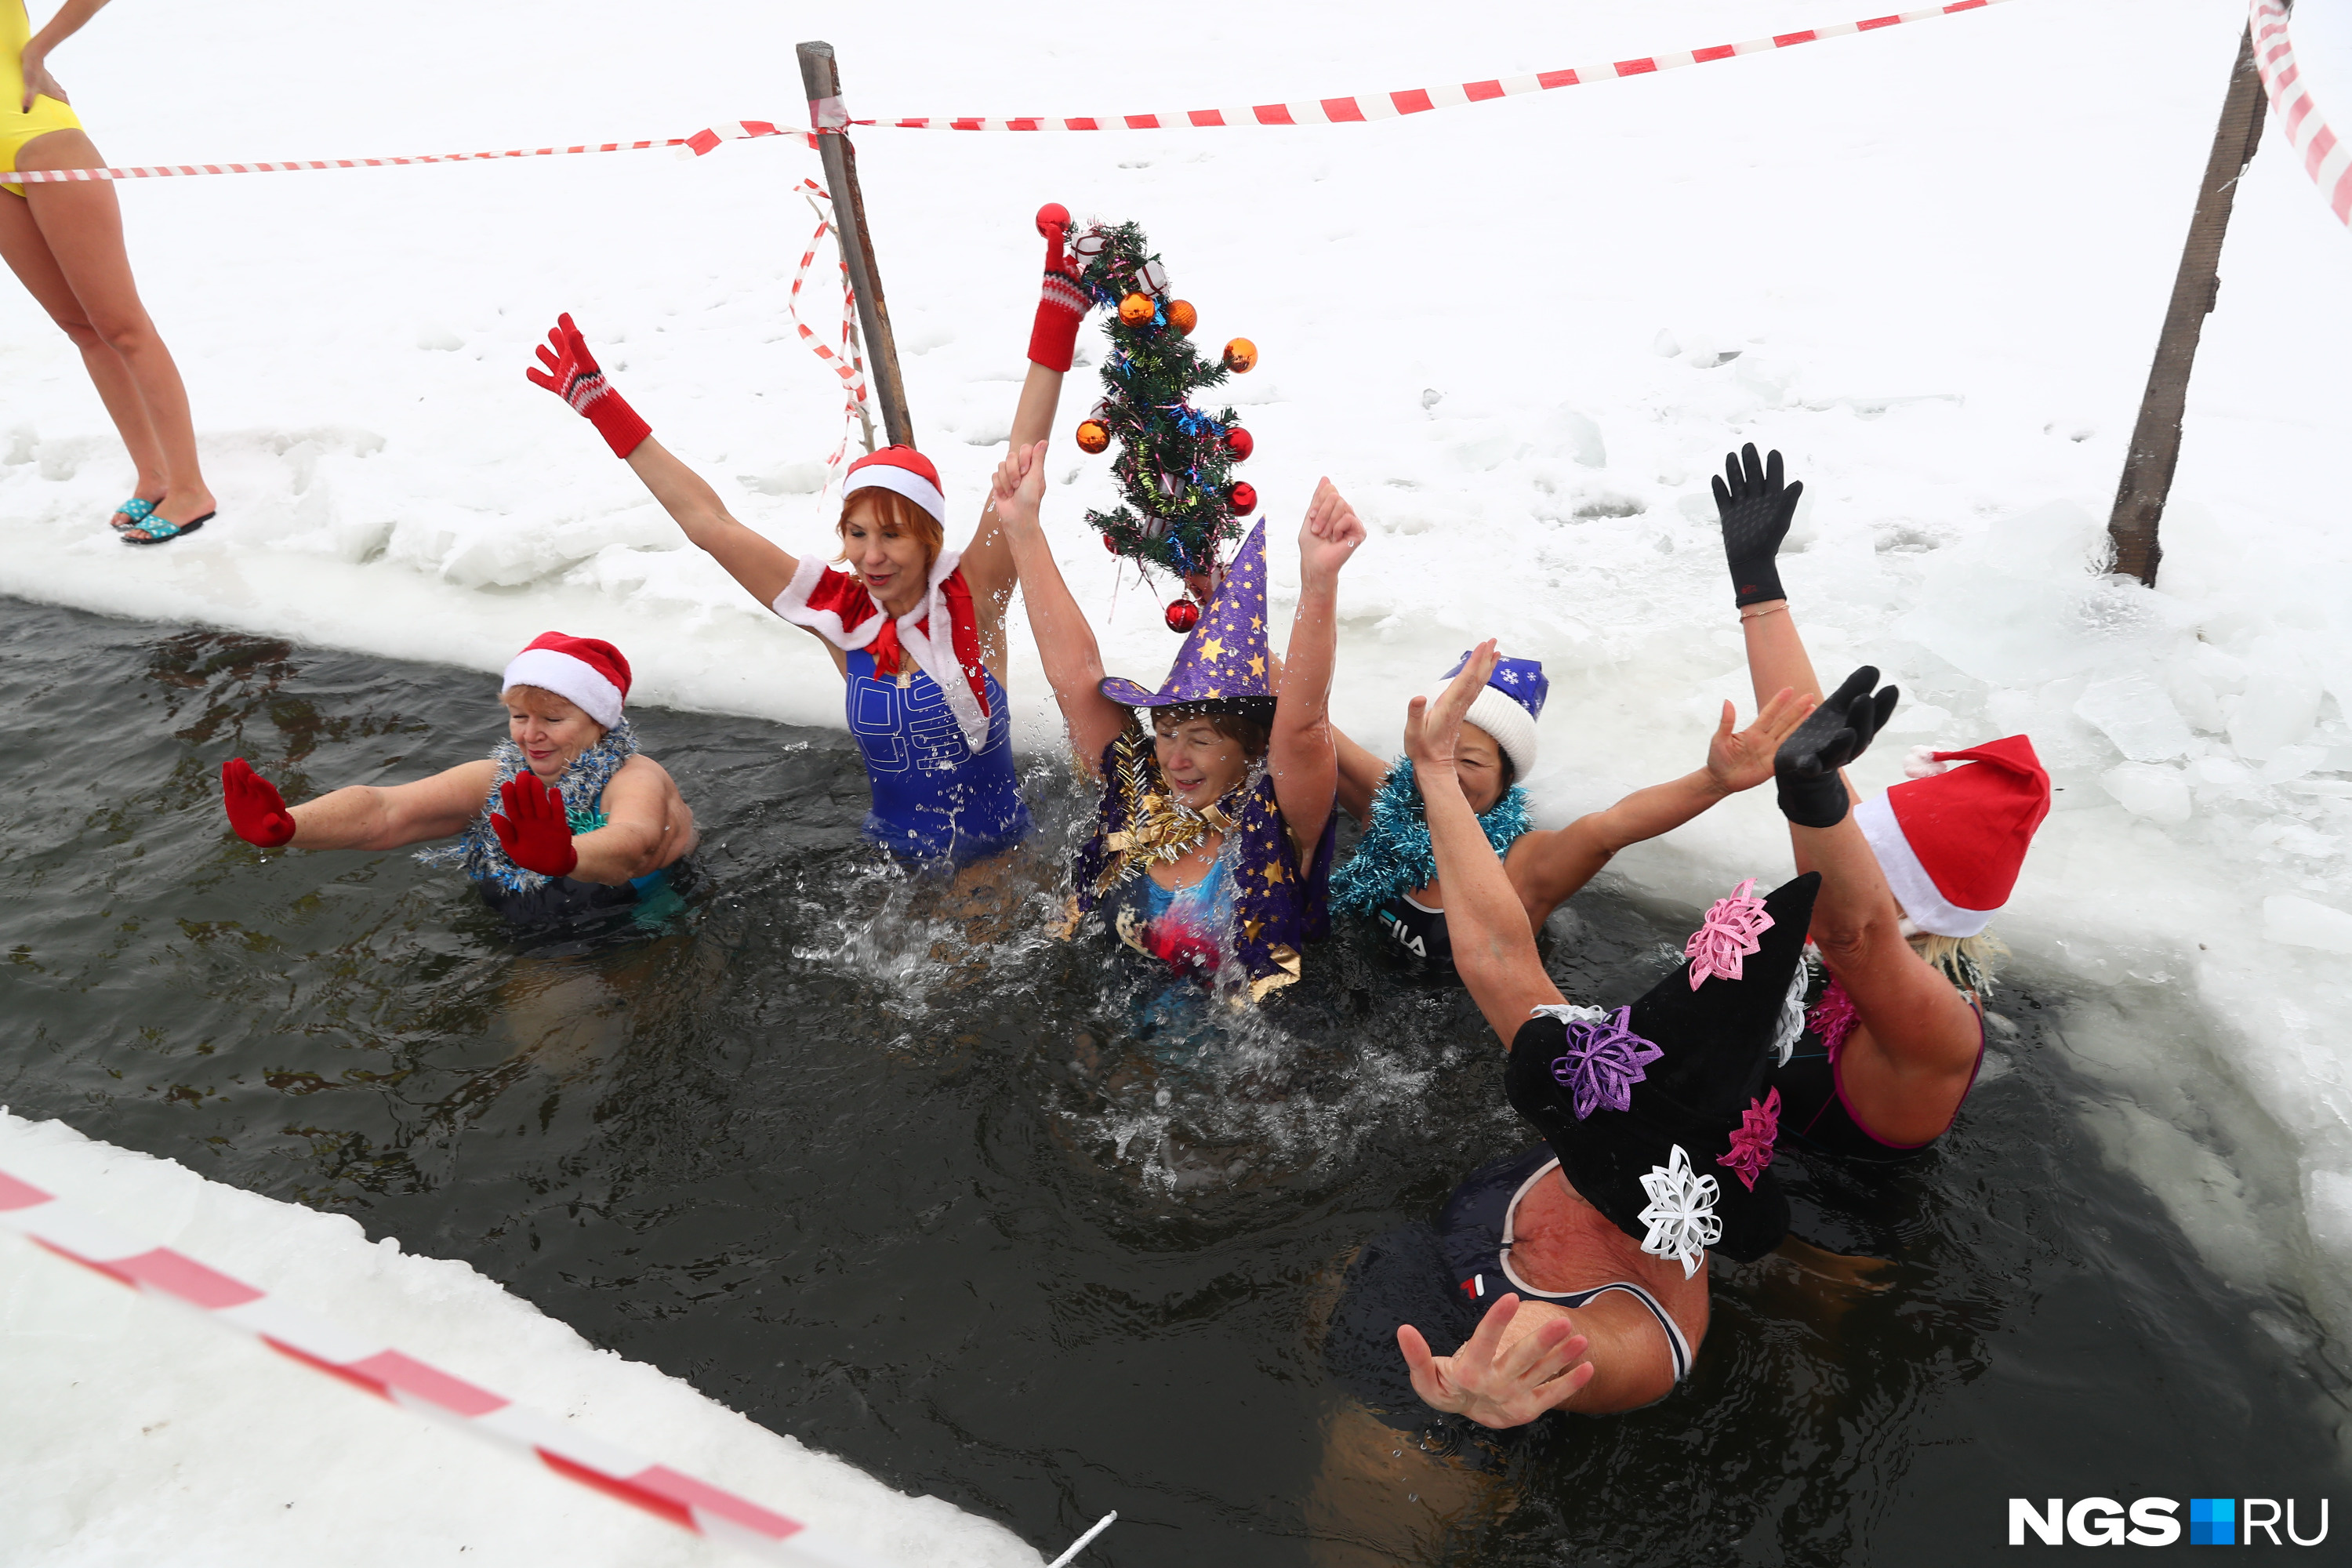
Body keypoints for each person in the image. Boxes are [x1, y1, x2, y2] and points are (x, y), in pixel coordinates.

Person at [1309, 644, 1816, 1559]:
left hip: (1465, 1397)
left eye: (1607, 1097)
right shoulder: (1601, 1089)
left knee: (1363, 1510)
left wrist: (1514, 1375)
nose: (1586, 1090)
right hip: (1422, 1278)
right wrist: (1430, 769)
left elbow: (1584, 1344)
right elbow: (1497, 953)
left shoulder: (1651, 1321)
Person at [524, 206, 1087, 869]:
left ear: (930, 539)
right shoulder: (839, 616)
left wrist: (1059, 314)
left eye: (893, 536)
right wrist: (603, 408)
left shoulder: (974, 592)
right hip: (891, 868)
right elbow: (712, 526)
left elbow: (1025, 448)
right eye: (856, 534)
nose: (871, 556)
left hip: (1001, 865)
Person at [1711, 442, 2052, 1158]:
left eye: (1866, 851)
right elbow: (1798, 719)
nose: (1841, 850)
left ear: (1911, 903)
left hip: (1831, 1249)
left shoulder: (1940, 1031)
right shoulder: (1889, 904)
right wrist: (1758, 585)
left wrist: (1807, 794)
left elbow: (1853, 939)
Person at [986, 436, 1363, 1004]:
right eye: (1165, 734)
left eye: (1201, 740)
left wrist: (1319, 581)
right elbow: (1077, 677)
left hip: (1243, 1077)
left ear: (1250, 747)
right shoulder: (1140, 790)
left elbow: (1305, 728)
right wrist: (1022, 529)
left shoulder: (1280, 823)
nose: (1174, 758)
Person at [1330, 651, 1813, 969]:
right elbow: (1312, 727)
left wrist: (1713, 782)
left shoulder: (1525, 866)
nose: (1446, 770)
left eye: (1471, 760)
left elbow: (1611, 829)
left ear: (1505, 779)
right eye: (1436, 749)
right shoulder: (1391, 804)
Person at [216, 633, 697, 927]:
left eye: (552, 720)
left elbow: (635, 843)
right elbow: (387, 811)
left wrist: (567, 855)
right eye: (517, 716)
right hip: (532, 920)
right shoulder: (497, 777)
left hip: (640, 917)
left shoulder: (635, 778)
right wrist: (290, 825)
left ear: (600, 720)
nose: (530, 736)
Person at [2, 0, 215, 543]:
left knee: (122, 326)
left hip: (40, 141)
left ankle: (192, 488)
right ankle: (155, 474)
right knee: (80, 329)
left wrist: (38, 48)